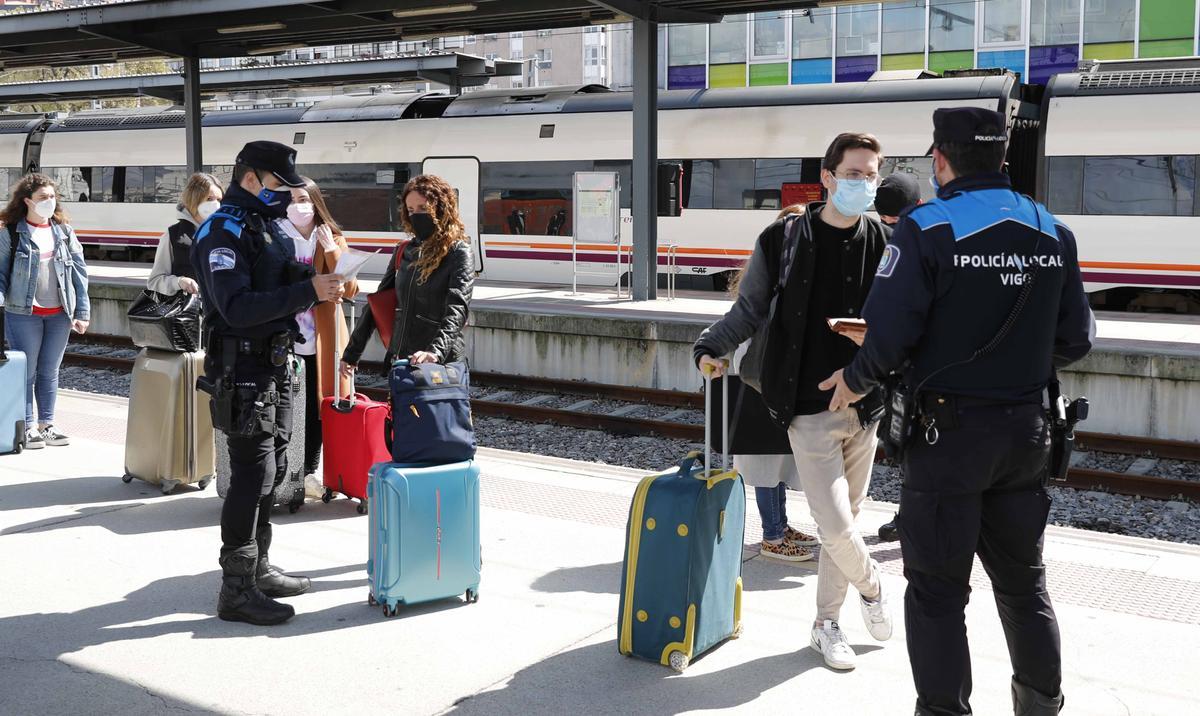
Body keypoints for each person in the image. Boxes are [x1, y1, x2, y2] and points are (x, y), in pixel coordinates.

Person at [821, 107, 1094, 715]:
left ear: (940, 161)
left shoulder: (926, 228)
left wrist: (856, 376)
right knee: (1025, 587)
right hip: (1027, 432)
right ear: (1001, 161)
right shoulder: (1052, 230)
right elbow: (1076, 340)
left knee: (939, 595)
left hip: (947, 439)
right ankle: (1041, 705)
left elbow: (889, 338)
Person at [694, 133, 893, 671]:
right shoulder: (784, 237)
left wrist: (873, 338)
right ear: (827, 178)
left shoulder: (886, 243)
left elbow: (905, 324)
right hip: (808, 407)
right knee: (834, 524)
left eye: (872, 174)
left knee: (847, 518)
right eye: (854, 174)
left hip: (865, 403)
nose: (865, 184)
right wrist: (712, 345)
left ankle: (827, 623)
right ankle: (873, 589)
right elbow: (750, 308)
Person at [191, 141, 345, 626]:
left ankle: (257, 568)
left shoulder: (264, 227)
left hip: (272, 367)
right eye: (281, 184)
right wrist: (307, 290)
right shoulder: (224, 230)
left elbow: (276, 276)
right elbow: (236, 306)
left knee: (274, 469)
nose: (287, 195)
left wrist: (319, 273)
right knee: (250, 476)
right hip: (242, 370)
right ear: (253, 178)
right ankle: (235, 590)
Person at [726, 203, 818, 562]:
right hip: (760, 384)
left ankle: (780, 525)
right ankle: (773, 537)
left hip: (778, 384)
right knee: (766, 461)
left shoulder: (777, 273)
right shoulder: (772, 278)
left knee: (777, 460)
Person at [275, 176, 359, 493]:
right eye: (293, 200)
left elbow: (350, 289)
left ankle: (309, 471)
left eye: (304, 199)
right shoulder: (275, 237)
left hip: (322, 341)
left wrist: (331, 251)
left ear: (315, 202)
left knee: (318, 407)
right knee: (286, 408)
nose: (299, 206)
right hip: (284, 337)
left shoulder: (332, 238)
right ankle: (287, 472)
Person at [341, 174, 473, 374]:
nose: (416, 216)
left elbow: (457, 308)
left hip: (439, 363)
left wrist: (435, 352)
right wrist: (352, 353)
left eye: (423, 209)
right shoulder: (404, 250)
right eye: (411, 210)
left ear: (440, 209)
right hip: (401, 360)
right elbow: (377, 303)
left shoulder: (458, 252)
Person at [0, 174, 90, 449]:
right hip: (23, 312)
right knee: (26, 371)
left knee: (50, 371)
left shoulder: (63, 232)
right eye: (42, 198)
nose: (49, 202)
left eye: (52, 197)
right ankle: (27, 426)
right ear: (27, 201)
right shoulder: (11, 233)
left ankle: (46, 424)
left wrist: (82, 310)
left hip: (60, 313)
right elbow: (1, 271)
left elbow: (79, 272)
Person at [870, 170, 923, 543]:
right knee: (904, 445)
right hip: (898, 364)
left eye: (895, 220)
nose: (890, 227)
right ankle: (910, 517)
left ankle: (913, 519)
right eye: (884, 220)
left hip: (919, 364)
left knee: (913, 444)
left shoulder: (927, 238)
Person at [147, 173, 222, 296]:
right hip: (189, 312)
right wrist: (179, 282)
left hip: (221, 311)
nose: (216, 205)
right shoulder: (173, 235)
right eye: (209, 199)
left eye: (219, 199)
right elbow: (154, 282)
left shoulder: (225, 233)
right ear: (194, 200)